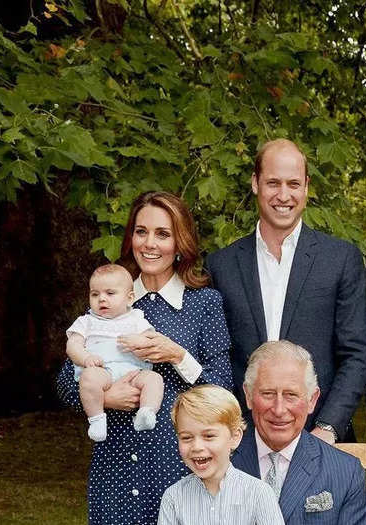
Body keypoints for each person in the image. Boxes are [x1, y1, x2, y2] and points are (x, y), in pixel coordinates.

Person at [57, 191, 233, 525]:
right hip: (116, 470)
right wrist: (105, 398)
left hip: (181, 469)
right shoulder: (109, 299)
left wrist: (178, 355)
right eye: (141, 232)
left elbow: (223, 389)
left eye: (162, 234)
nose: (149, 243)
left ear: (180, 242)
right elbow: (66, 382)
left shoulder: (204, 303)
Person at [206, 138, 366, 444]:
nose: (284, 195)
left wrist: (328, 427)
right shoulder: (221, 265)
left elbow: (356, 354)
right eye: (273, 183)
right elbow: (218, 356)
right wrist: (236, 426)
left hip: (321, 437)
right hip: (243, 440)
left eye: (293, 183)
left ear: (306, 186)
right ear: (255, 183)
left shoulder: (340, 259)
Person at [231, 340, 366, 525]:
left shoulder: (346, 472)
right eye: (268, 394)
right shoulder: (221, 461)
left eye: (291, 395)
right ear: (248, 396)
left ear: (312, 400)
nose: (279, 409)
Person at [158, 384, 284, 525]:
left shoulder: (259, 494)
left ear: (235, 437)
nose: (197, 447)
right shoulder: (174, 497)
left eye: (209, 436)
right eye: (186, 438)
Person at [66, 264, 162, 441]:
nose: (101, 299)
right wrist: (86, 358)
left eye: (110, 293)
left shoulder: (137, 319)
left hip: (134, 372)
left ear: (129, 298)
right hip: (102, 372)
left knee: (155, 379)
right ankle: (96, 419)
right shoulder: (86, 321)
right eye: (95, 294)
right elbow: (73, 346)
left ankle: (147, 412)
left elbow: (152, 341)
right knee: (88, 379)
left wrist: (141, 341)